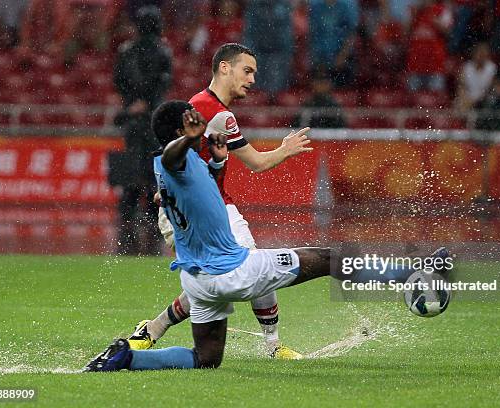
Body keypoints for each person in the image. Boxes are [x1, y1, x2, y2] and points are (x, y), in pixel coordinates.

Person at [84, 102, 330, 372]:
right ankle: (383, 276)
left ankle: (127, 357)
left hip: (198, 281)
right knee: (328, 258)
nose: (201, 126)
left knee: (206, 359)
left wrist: (218, 161)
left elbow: (196, 186)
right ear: (182, 129)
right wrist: (189, 138)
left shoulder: (181, 163)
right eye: (194, 122)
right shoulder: (174, 159)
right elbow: (172, 159)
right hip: (232, 270)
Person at [125, 43, 312, 359]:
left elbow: (178, 156)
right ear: (224, 67)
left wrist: (168, 188)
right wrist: (286, 149)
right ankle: (273, 345)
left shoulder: (200, 105)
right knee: (247, 268)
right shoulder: (217, 114)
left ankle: (154, 329)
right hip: (206, 212)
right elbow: (256, 163)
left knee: (210, 280)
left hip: (196, 209)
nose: (252, 80)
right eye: (247, 70)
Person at [111, 5, 171, 255]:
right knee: (153, 171)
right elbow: (163, 83)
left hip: (135, 120)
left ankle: (127, 218)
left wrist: (131, 104)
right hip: (152, 120)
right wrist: (145, 101)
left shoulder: (127, 50)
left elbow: (119, 81)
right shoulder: (162, 51)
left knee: (133, 172)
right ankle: (153, 216)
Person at [454, 42, 496, 112]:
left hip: (485, 99)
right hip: (468, 99)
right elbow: (461, 87)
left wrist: (476, 101)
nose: (481, 56)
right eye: (479, 53)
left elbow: (492, 89)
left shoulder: (492, 68)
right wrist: (465, 99)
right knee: (458, 103)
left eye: (484, 54)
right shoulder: (466, 67)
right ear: (474, 54)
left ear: (487, 55)